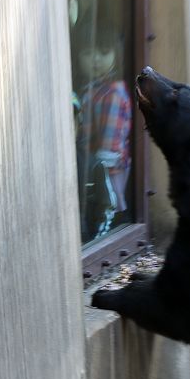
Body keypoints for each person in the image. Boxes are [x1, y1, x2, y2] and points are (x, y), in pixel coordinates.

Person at [73, 20, 132, 240]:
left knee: (111, 207)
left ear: (116, 54)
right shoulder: (91, 88)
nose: (96, 59)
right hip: (94, 164)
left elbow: (109, 143)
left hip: (107, 168)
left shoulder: (112, 93)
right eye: (88, 53)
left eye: (104, 52)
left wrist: (99, 167)